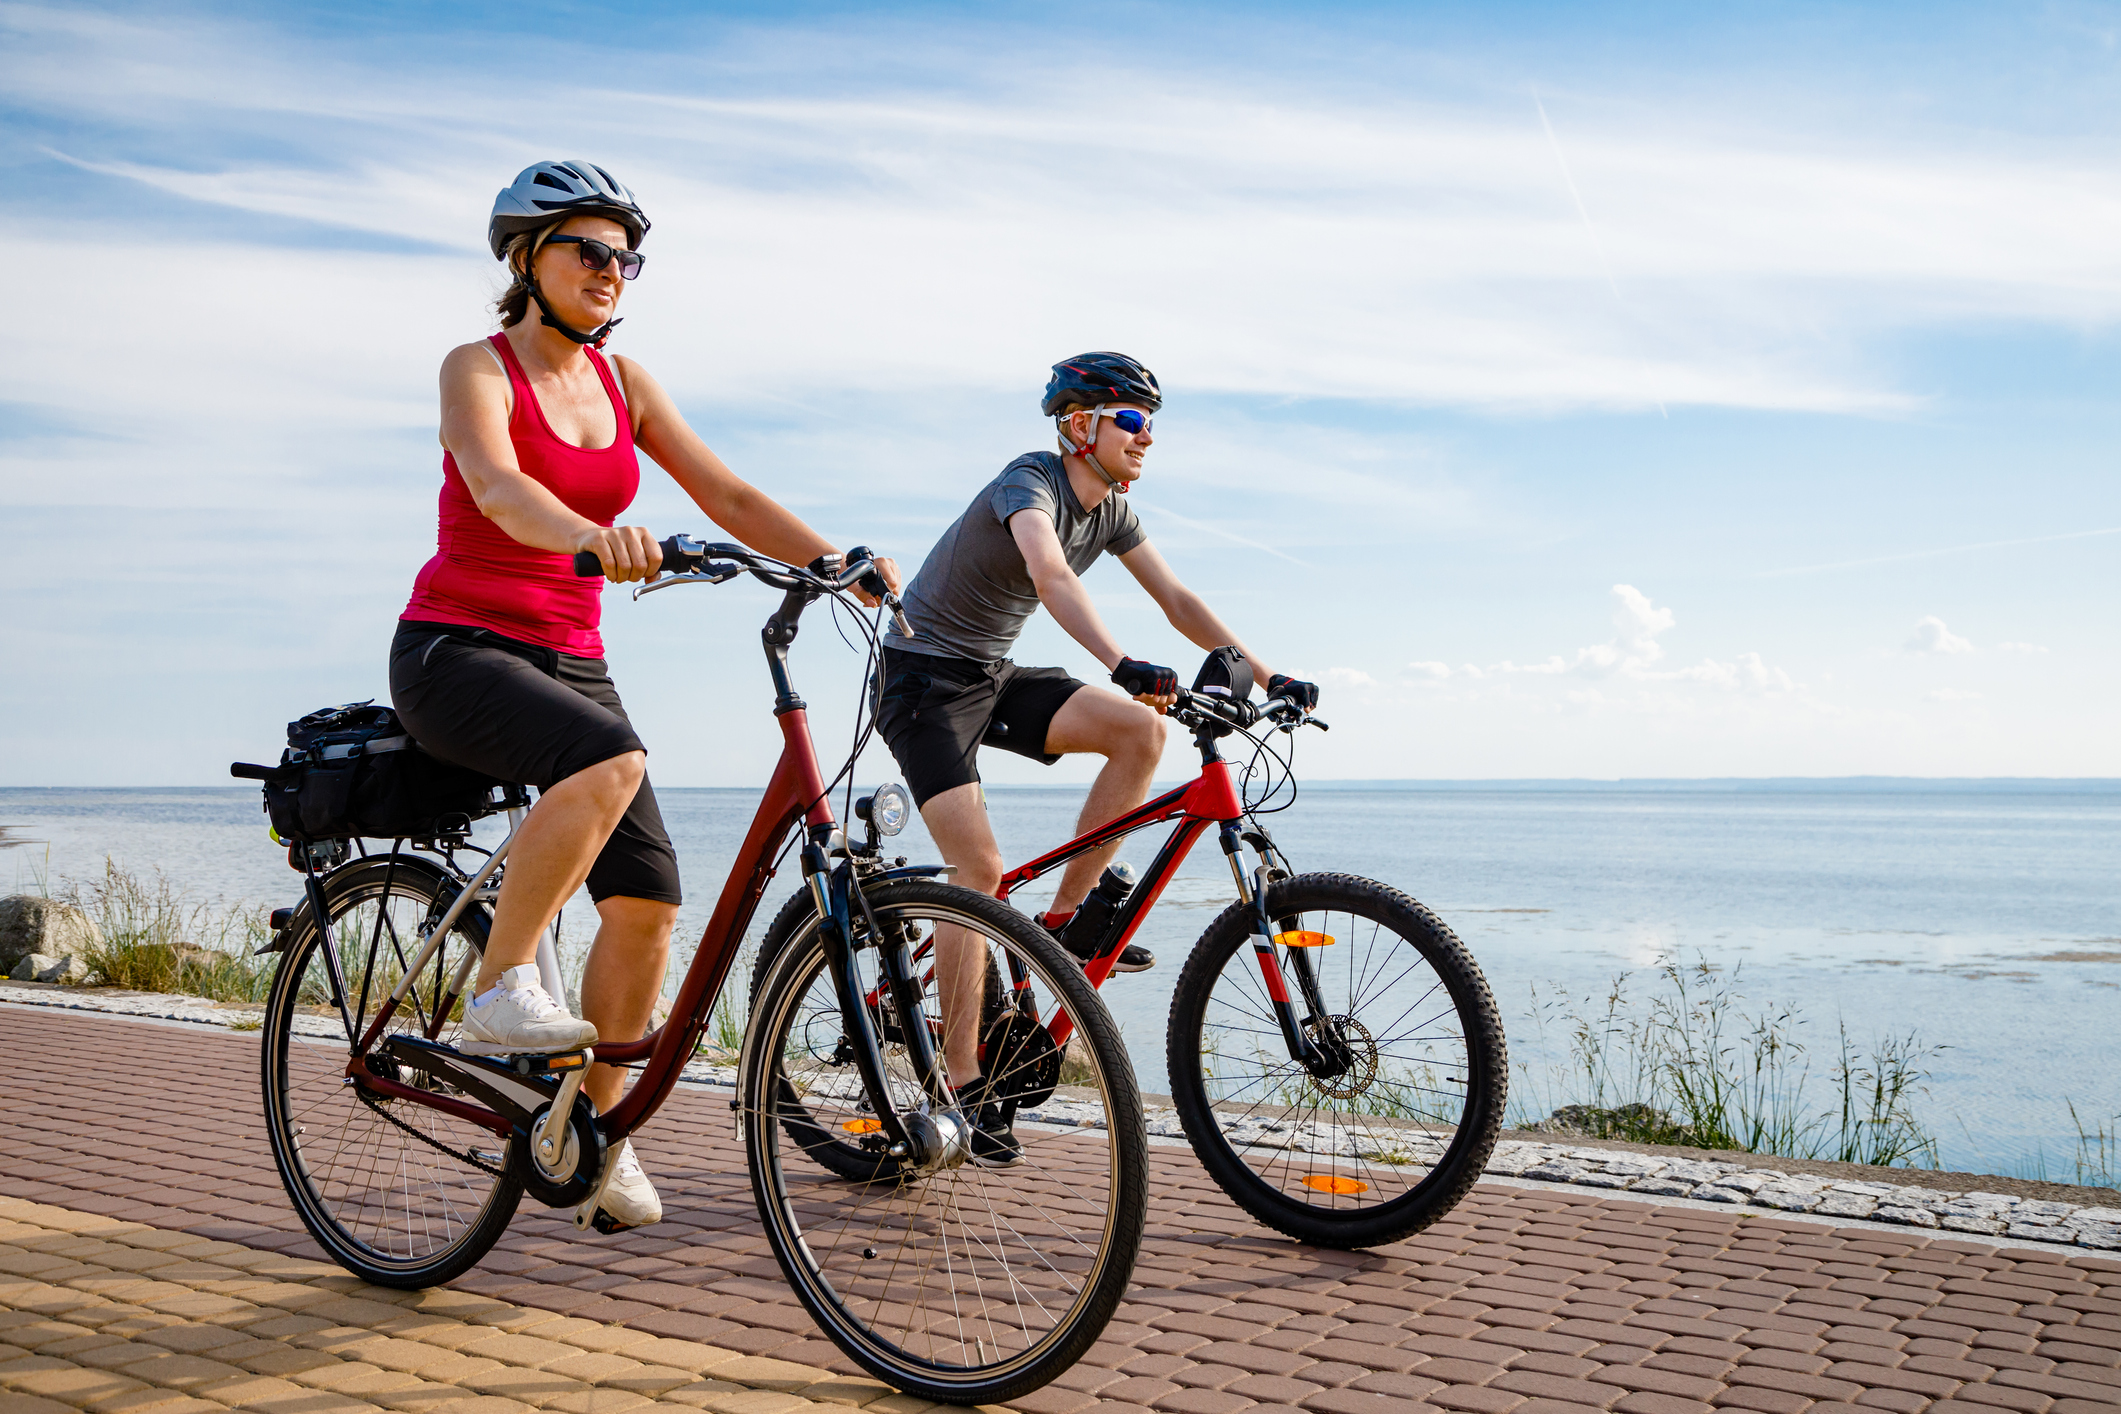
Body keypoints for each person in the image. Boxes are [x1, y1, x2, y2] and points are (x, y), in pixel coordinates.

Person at [390, 160, 898, 1230]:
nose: (612, 273)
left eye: (627, 259)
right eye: (590, 252)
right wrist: (595, 537)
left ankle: (592, 1132)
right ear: (526, 259)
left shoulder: (627, 384)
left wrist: (839, 558)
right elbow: (497, 485)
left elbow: (725, 491)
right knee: (608, 761)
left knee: (652, 906)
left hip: (572, 656)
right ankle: (500, 985)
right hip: (456, 648)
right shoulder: (476, 368)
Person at [875, 351, 1318, 1166]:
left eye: (1153, 426)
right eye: (1133, 422)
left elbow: (1178, 600)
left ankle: (1062, 919)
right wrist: (1120, 663)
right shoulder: (1031, 482)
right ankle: (962, 1078)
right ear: (1080, 426)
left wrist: (1265, 670)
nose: (1146, 441)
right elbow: (1048, 574)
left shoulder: (1111, 510)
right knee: (977, 872)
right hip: (923, 683)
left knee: (1139, 733)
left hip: (992, 674)